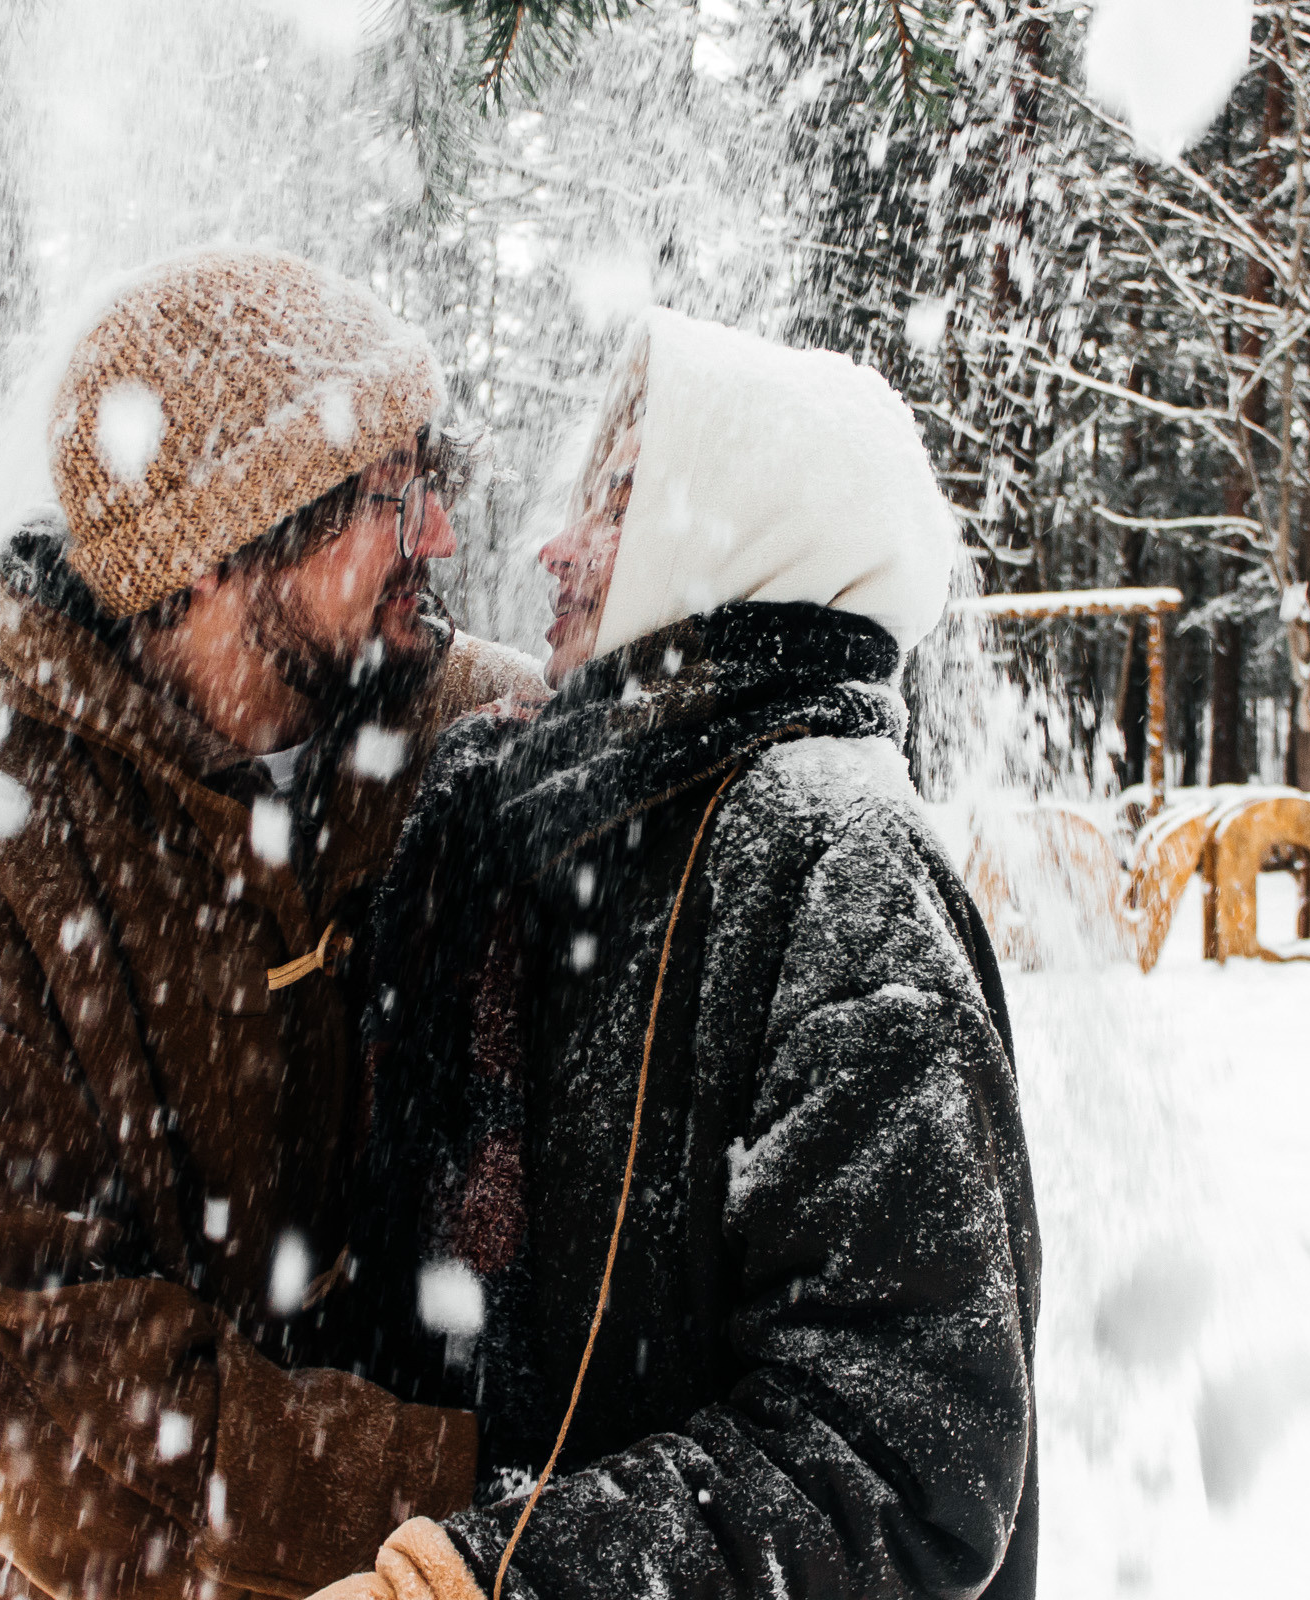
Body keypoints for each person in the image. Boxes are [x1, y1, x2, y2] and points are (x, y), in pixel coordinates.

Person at [0, 248, 542, 1600]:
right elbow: (30, 1383)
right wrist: (476, 1504)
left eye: (433, 484)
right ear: (217, 551)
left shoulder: (480, 740)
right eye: (389, 498)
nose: (440, 535)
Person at [322, 309, 1040, 1600]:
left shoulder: (843, 867)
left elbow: (898, 1458)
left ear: (739, 534)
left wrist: (497, 1582)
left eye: (614, 504)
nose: (555, 547)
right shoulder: (572, 826)